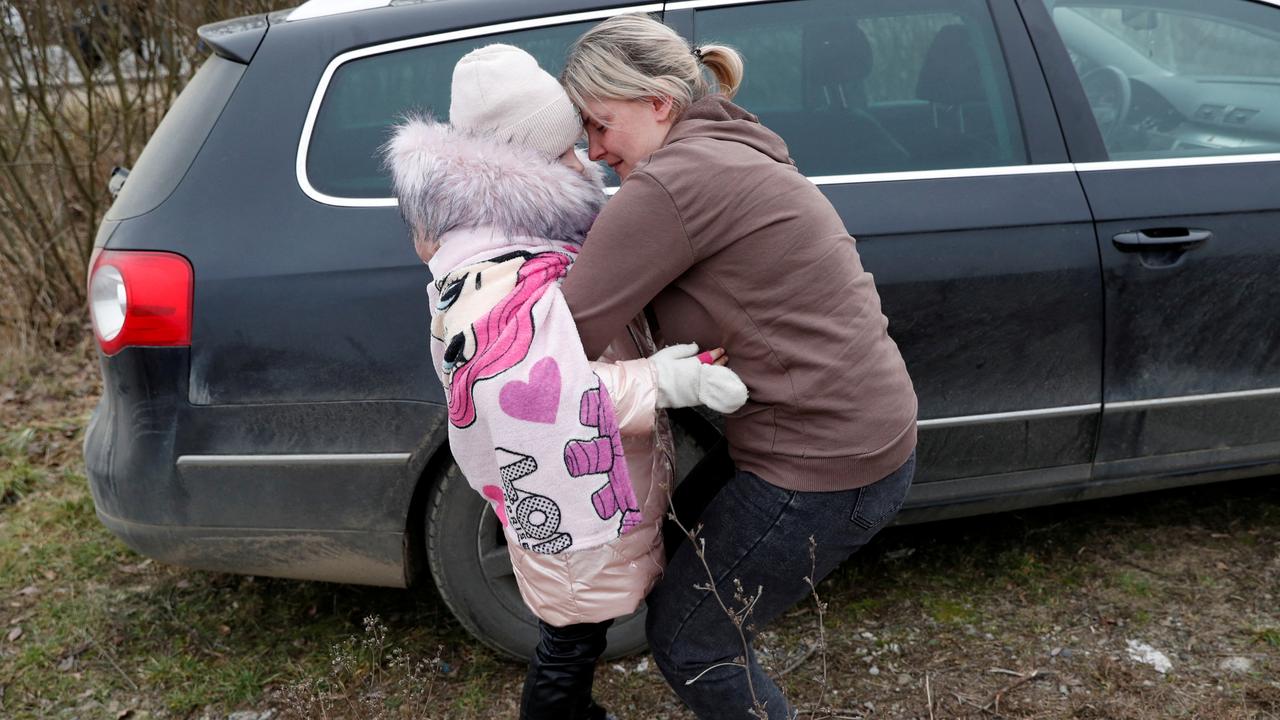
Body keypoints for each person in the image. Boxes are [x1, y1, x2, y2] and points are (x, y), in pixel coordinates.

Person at [558, 15, 919, 719]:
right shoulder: (733, 140)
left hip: (819, 462)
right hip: (862, 436)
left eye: (601, 125)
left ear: (657, 103)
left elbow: (564, 337)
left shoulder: (673, 183)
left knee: (693, 640)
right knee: (677, 559)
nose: (596, 151)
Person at [383, 44, 748, 720]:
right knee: (569, 639)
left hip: (582, 488)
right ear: (518, 167)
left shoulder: (509, 241)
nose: (583, 164)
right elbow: (532, 396)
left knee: (576, 634)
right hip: (568, 500)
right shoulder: (498, 266)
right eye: (563, 156)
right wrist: (663, 384)